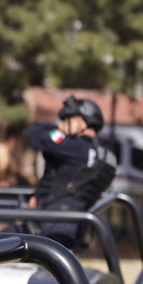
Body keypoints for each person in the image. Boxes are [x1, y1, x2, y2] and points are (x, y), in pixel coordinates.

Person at [24, 95, 116, 247]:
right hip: (78, 222)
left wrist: (59, 129)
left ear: (81, 123)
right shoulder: (107, 156)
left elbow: (35, 133)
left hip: (58, 219)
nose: (64, 124)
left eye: (68, 120)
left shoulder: (75, 146)